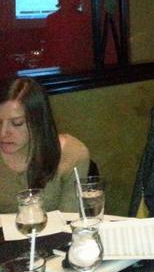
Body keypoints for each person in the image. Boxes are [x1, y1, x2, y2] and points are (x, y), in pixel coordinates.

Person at [0, 77, 90, 213]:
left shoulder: (72, 154)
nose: (3, 133)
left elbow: (69, 220)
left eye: (17, 123)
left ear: (39, 121)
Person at [42, 0, 93, 73]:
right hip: (57, 66)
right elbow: (49, 46)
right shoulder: (52, 19)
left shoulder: (84, 19)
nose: (73, 1)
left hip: (80, 67)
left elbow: (87, 47)